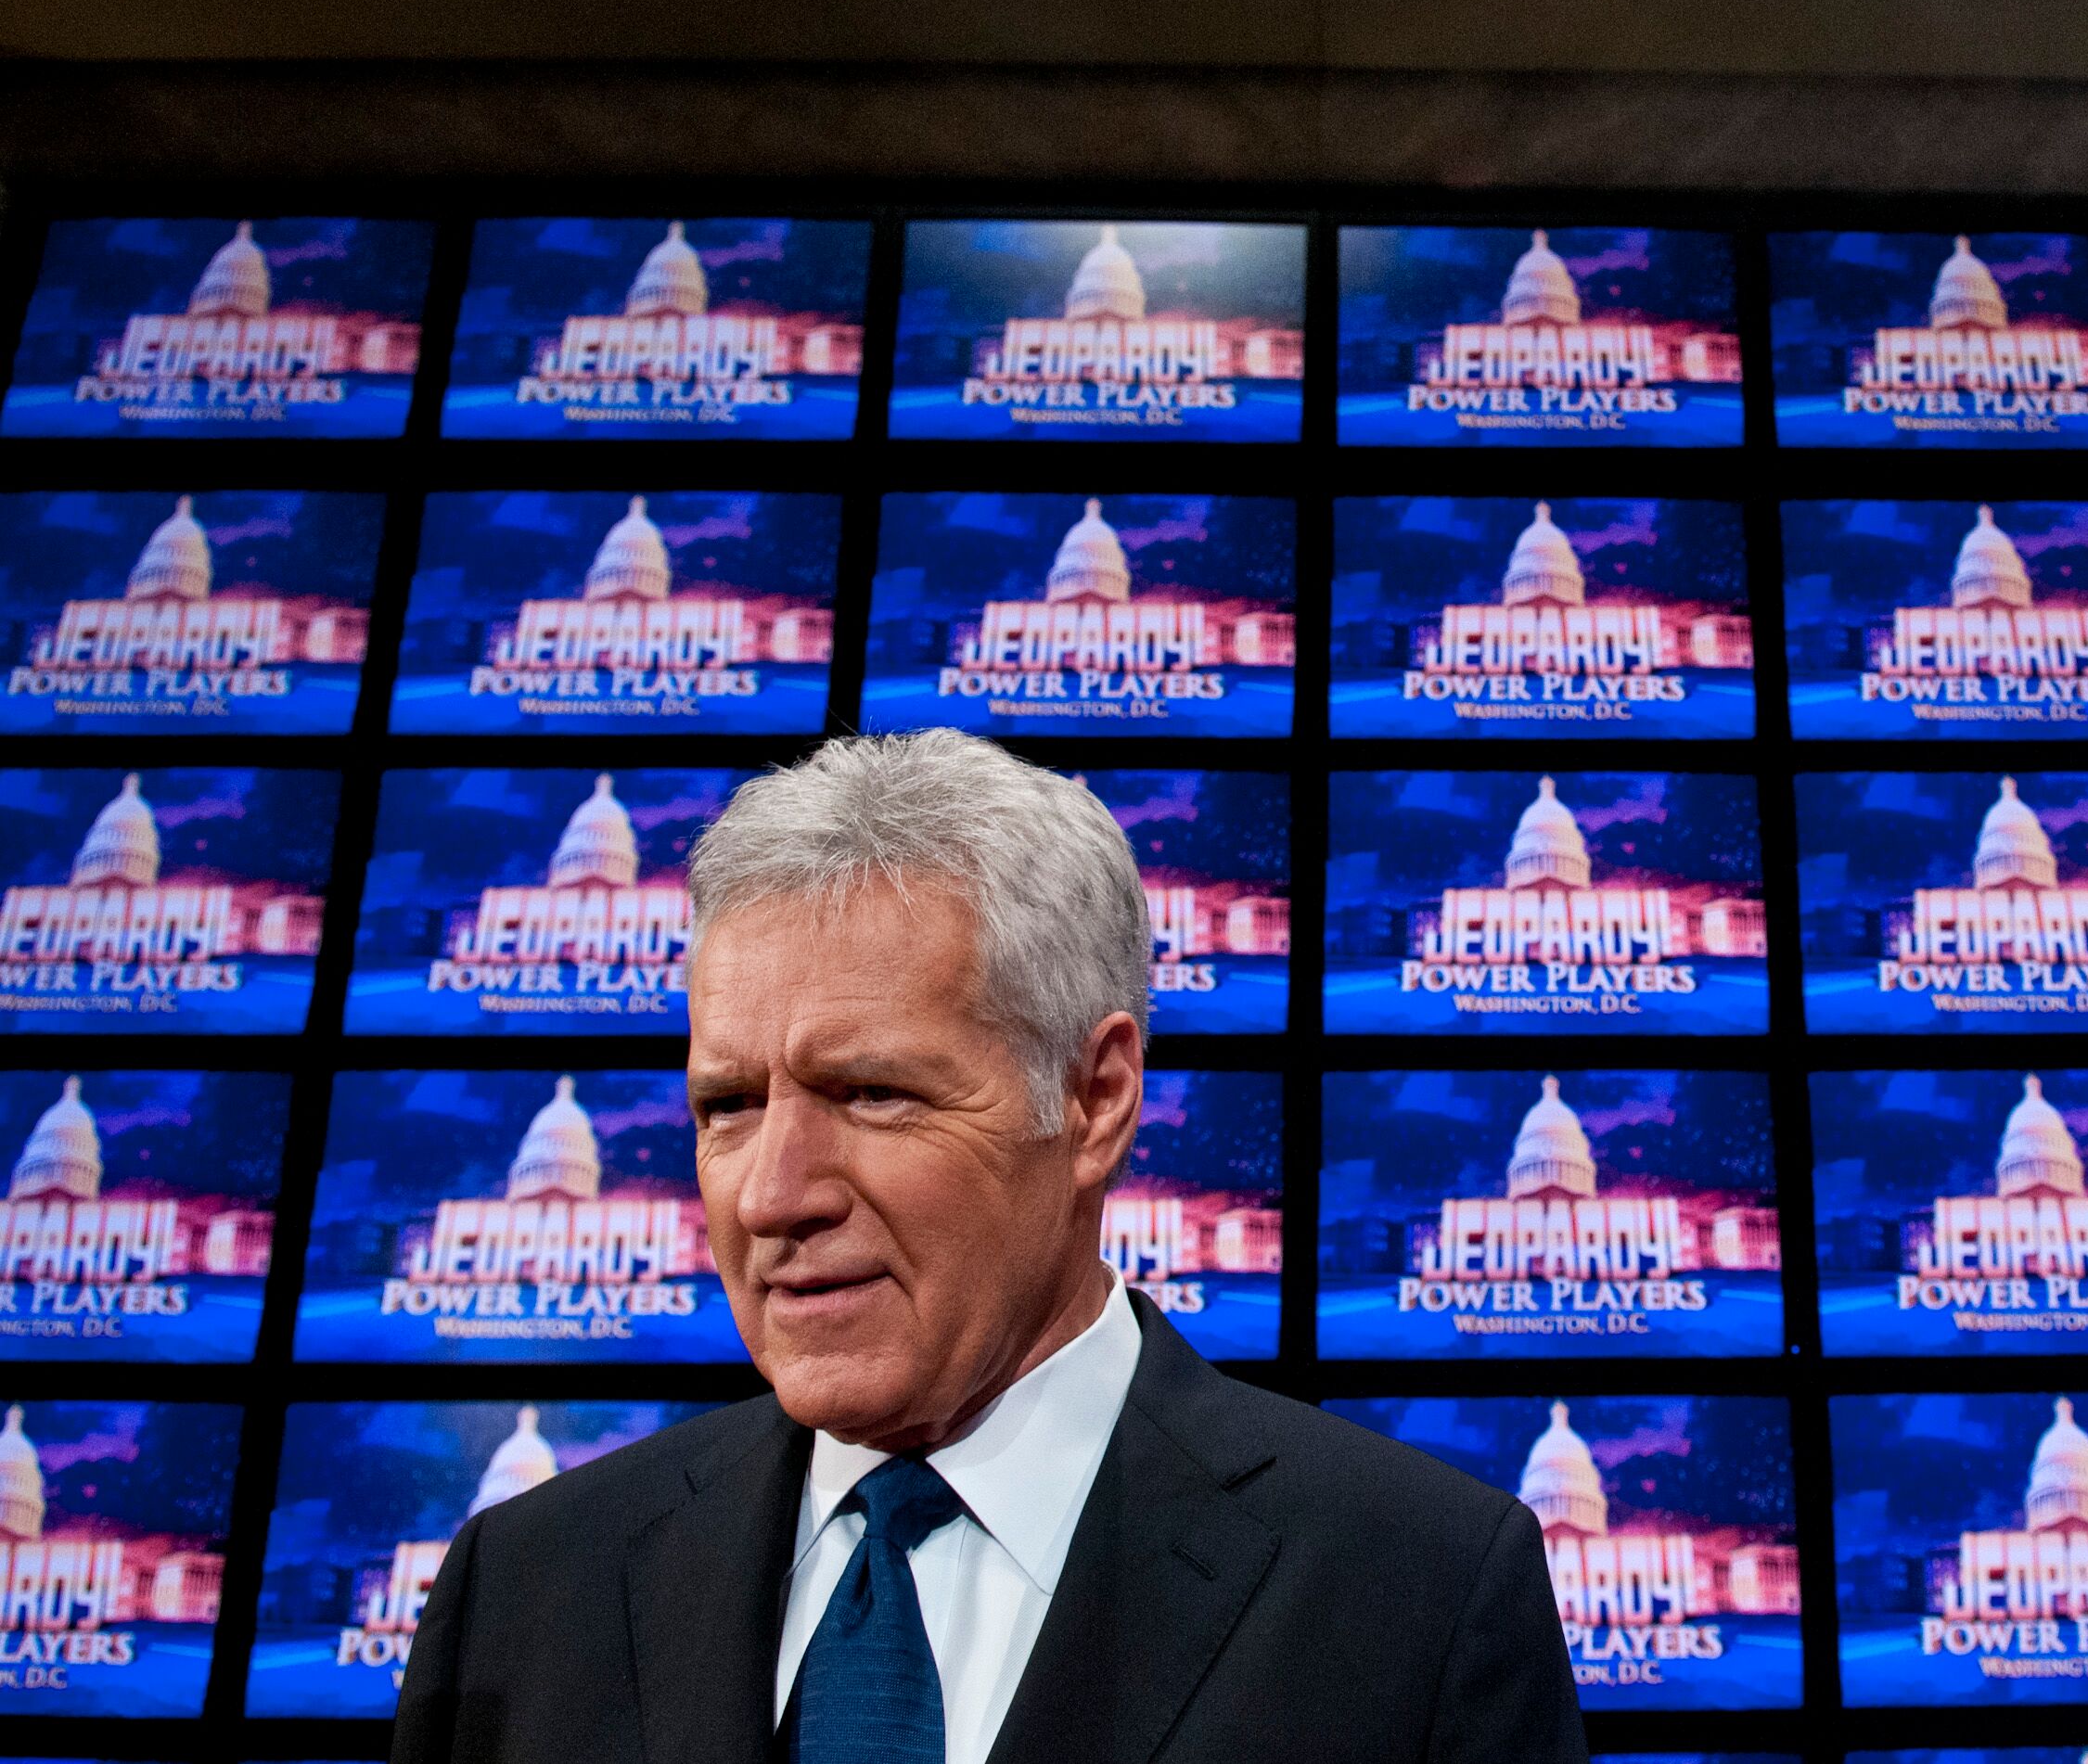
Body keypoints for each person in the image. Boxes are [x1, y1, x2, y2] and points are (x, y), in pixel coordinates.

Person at [389, 730, 1590, 1764]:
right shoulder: (525, 1589)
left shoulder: (1417, 1598)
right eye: (728, 1107)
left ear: (1095, 1099)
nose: (771, 1197)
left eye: (869, 1093)